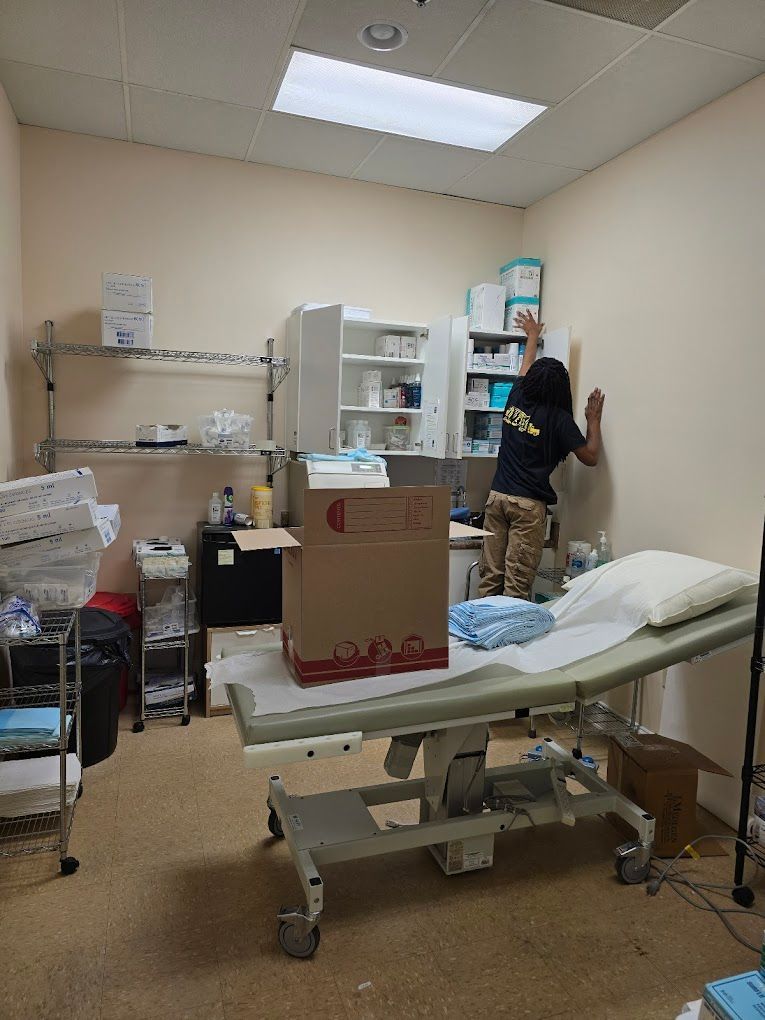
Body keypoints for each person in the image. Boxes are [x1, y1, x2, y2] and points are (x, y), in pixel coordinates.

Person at [478, 310, 605, 600]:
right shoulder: (559, 419)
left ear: (533, 380)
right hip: (526, 507)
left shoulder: (517, 394)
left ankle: (483, 640)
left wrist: (533, 335)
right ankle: (507, 644)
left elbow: (525, 365)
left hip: (496, 499)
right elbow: (590, 456)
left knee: (490, 578)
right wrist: (593, 420)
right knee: (516, 586)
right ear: (561, 389)